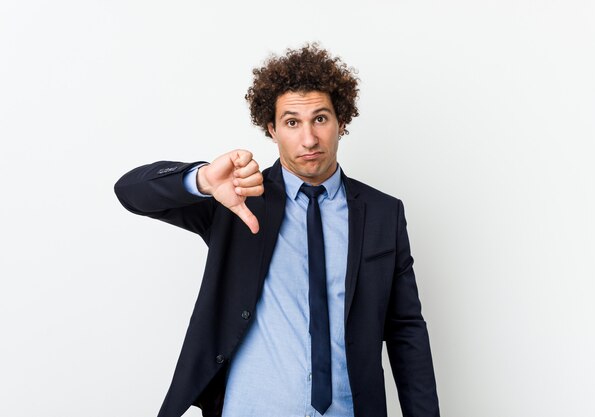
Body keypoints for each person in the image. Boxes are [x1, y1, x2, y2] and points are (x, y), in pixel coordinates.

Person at [114, 44, 439, 417]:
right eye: (291, 122)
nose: (309, 140)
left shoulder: (384, 213)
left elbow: (405, 330)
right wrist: (202, 179)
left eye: (320, 118)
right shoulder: (239, 198)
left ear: (341, 121)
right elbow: (130, 192)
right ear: (271, 128)